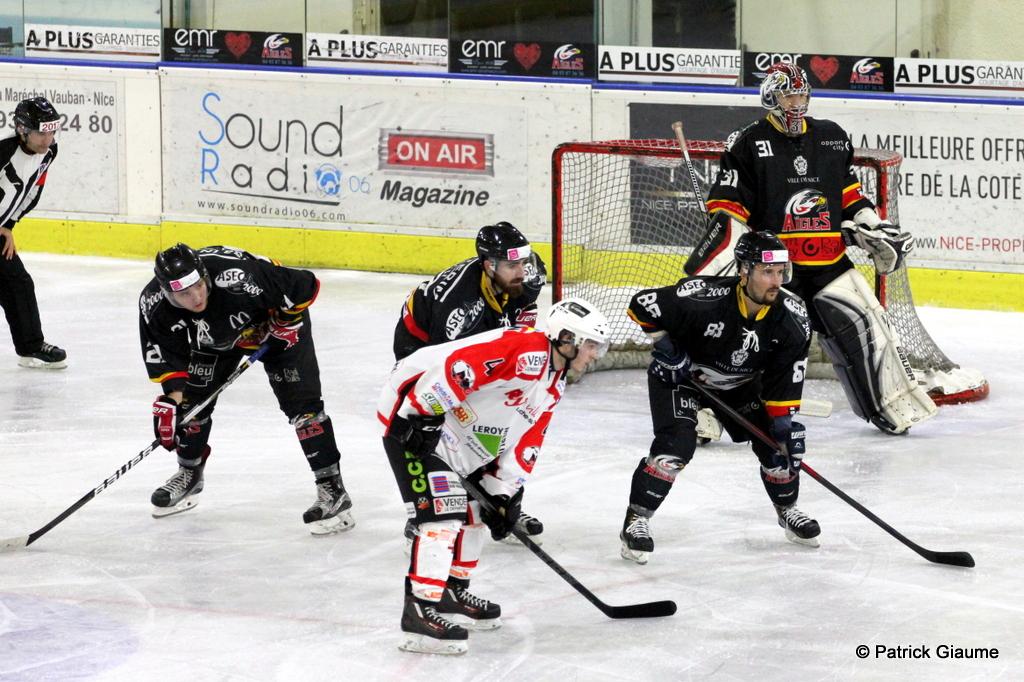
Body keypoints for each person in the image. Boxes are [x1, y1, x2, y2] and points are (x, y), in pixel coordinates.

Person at [692, 62, 935, 435]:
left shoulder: (831, 136)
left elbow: (848, 193)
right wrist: (728, 237)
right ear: (770, 98)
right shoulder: (748, 142)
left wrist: (870, 222)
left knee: (870, 323)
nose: (796, 103)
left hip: (829, 261)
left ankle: (890, 404)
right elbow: (728, 205)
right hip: (775, 268)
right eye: (789, 96)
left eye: (801, 94)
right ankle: (709, 412)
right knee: (748, 338)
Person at [378, 297, 609, 655]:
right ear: (567, 339)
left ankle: (452, 591)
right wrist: (422, 413)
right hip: (409, 414)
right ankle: (419, 610)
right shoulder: (527, 350)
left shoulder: (554, 381)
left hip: (455, 432)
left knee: (476, 513)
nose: (595, 354)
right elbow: (459, 367)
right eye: (591, 345)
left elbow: (529, 436)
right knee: (442, 515)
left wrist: (503, 490)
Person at [620, 231, 815, 565]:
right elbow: (642, 304)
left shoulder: (792, 319)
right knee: (675, 449)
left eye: (781, 272)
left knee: (778, 450)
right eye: (767, 272)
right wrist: (666, 347)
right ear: (743, 271)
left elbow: (782, 383)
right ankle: (636, 520)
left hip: (739, 385)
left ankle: (788, 510)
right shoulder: (703, 297)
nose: (776, 281)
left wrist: (783, 429)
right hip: (682, 378)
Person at [138, 243, 354, 535]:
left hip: (275, 329)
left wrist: (285, 322)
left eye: (199, 286)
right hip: (215, 339)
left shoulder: (237, 276)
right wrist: (174, 403)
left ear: (204, 274)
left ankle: (332, 489)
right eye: (185, 294)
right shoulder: (153, 304)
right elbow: (171, 359)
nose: (196, 297)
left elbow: (305, 285)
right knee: (191, 406)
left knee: (305, 411)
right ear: (167, 293)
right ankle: (189, 474)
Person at [393, 221, 547, 545]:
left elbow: (523, 317)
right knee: (441, 430)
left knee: (504, 417)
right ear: (489, 265)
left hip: (484, 332)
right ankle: (424, 511)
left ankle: (501, 498)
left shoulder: (525, 275)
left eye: (524, 261)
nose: (522, 271)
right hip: (422, 347)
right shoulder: (460, 310)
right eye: (512, 265)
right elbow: (445, 371)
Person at [0, 97, 67, 369]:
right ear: (22, 130)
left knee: (18, 283)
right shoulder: (3, 153)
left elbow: (31, 192)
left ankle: (31, 346)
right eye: (41, 133)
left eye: (52, 132)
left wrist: (8, 225)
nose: (47, 140)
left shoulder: (49, 152)